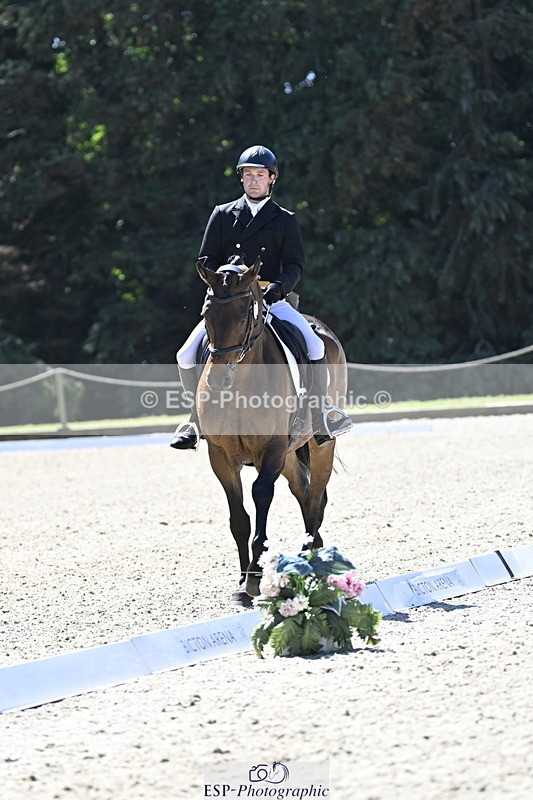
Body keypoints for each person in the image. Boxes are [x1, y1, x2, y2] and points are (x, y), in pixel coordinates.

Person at [170, 144, 351, 450]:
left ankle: (321, 414)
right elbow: (206, 259)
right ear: (241, 179)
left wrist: (277, 288)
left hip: (272, 298)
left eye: (260, 175)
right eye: (248, 175)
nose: (254, 180)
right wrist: (223, 283)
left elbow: (295, 264)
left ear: (271, 179)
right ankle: (194, 419)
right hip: (230, 302)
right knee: (185, 355)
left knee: (316, 345)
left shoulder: (284, 219)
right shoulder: (222, 214)